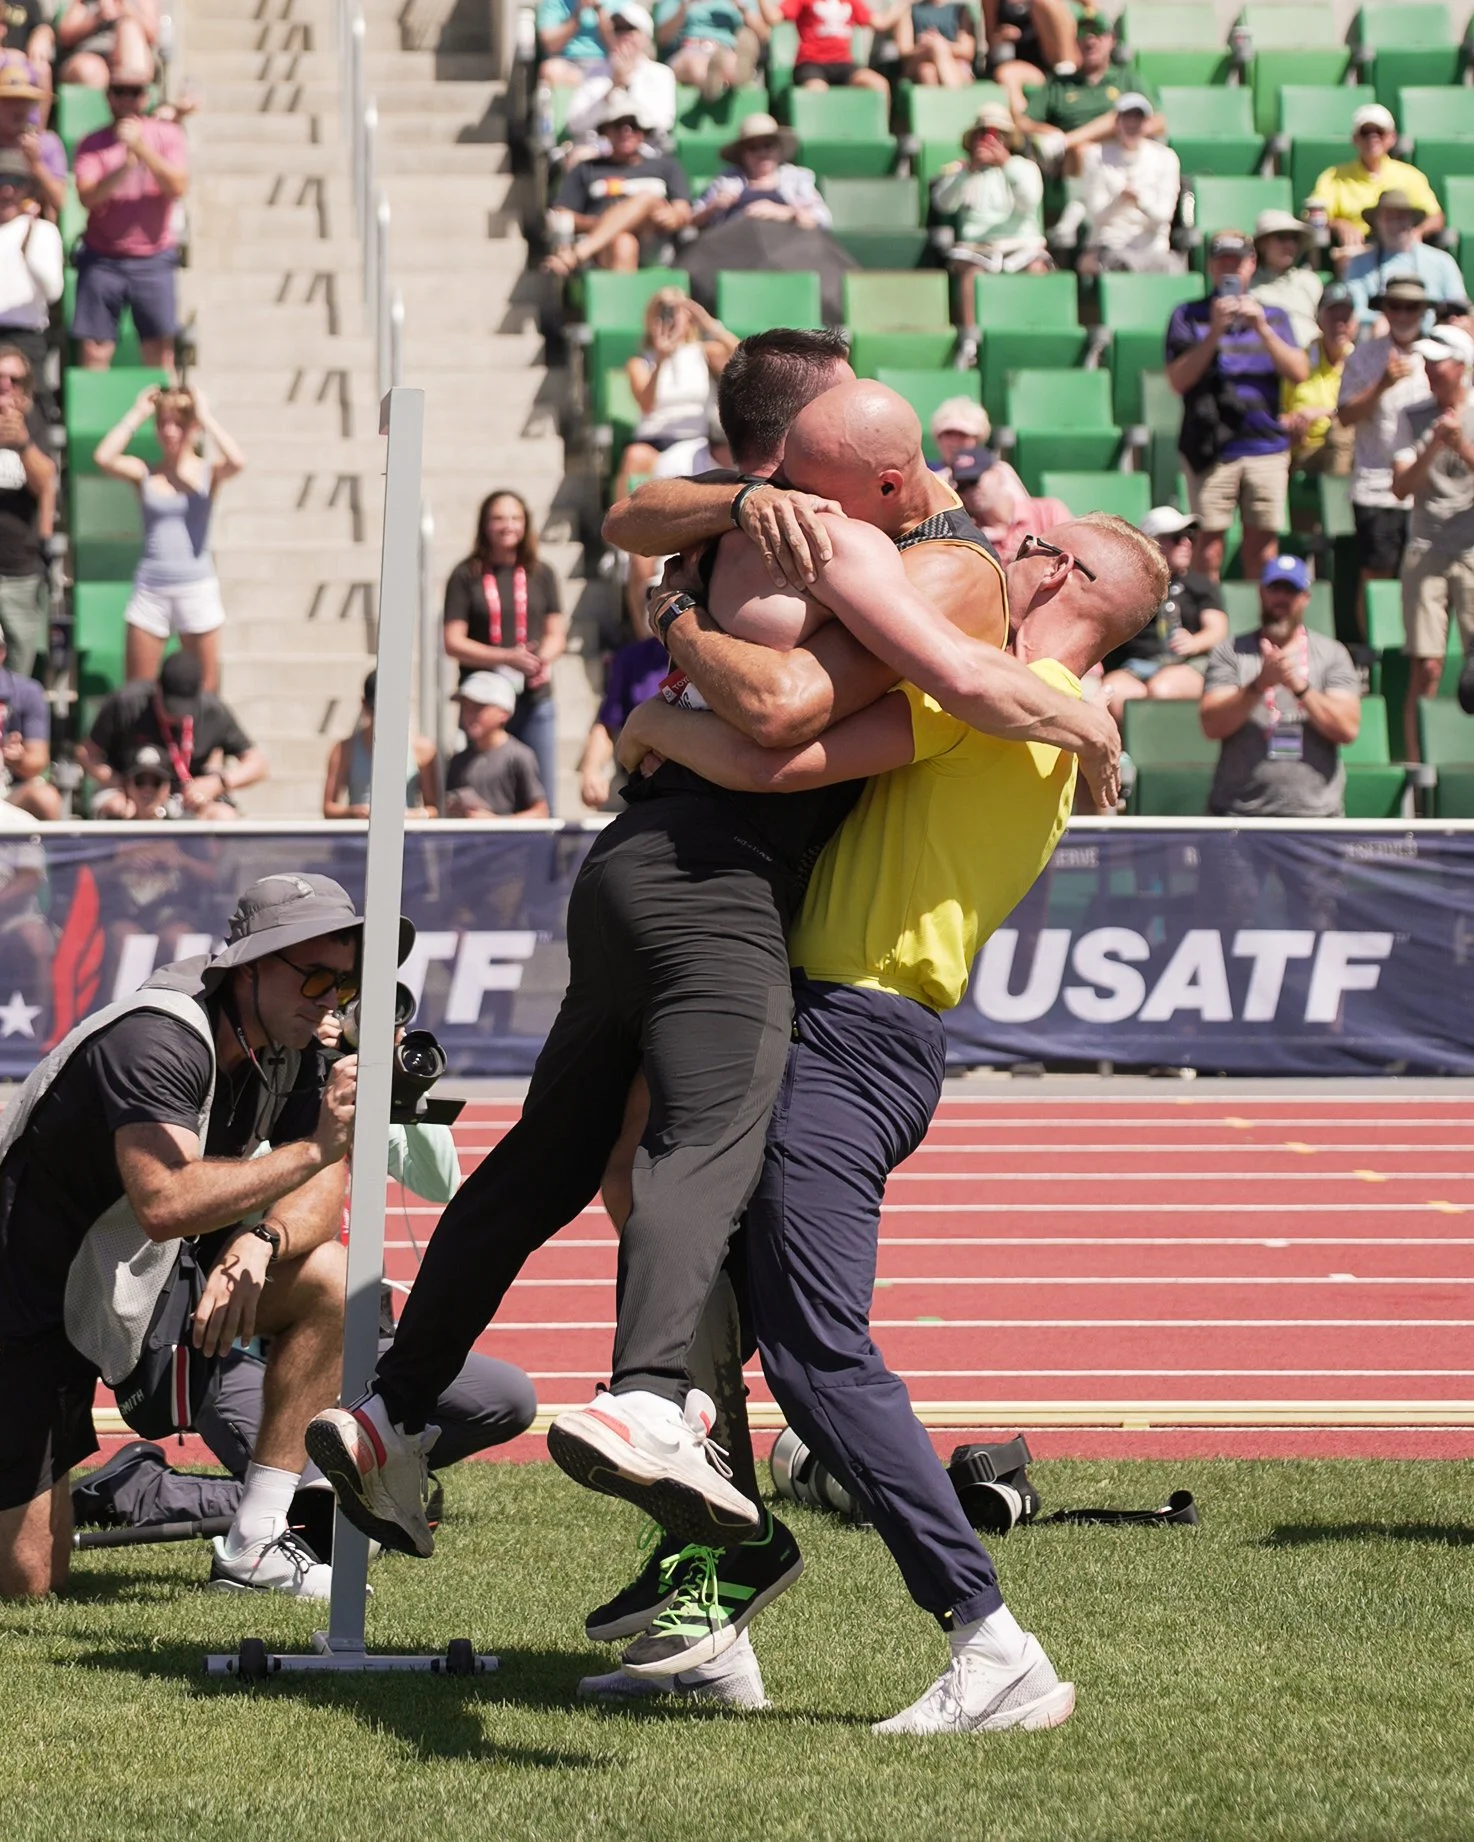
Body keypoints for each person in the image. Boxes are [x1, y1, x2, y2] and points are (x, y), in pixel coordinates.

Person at [305, 340, 1120, 1571]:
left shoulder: (765, 534)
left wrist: (667, 651)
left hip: (632, 869)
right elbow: (813, 709)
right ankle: (650, 1398)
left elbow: (648, 530)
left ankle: (391, 1413)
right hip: (719, 885)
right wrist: (1078, 715)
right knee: (703, 1145)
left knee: (550, 1158)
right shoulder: (853, 541)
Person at [602, 511, 1164, 1726]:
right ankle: (710, 1625)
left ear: (1056, 574)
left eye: (1024, 536)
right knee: (708, 1298)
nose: (996, 541)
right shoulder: (1050, 717)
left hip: (850, 1037)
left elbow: (771, 753)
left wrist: (655, 699)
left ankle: (991, 1639)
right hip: (847, 1028)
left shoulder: (1005, 695)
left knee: (817, 1351)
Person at [0, 872, 381, 1600]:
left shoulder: (288, 1043)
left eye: (346, 983)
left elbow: (323, 1196)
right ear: (254, 965)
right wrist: (311, 1151)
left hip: (144, 1278)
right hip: (30, 1295)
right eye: (318, 980)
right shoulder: (157, 1037)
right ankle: (126, 1485)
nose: (333, 1002)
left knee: (333, 1278)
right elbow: (165, 1200)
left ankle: (255, 1545)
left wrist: (262, 1239)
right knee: (27, 1585)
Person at [71, 1009, 538, 1545]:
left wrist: (395, 1077)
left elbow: (439, 1180)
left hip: (343, 1339)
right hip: (240, 1348)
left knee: (507, 1398)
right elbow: (237, 1181)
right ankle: (143, 1489)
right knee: (316, 1503)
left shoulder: (351, 1098)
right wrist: (310, 1104)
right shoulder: (261, 1102)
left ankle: (368, 1471)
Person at [1165, 228, 1309, 582]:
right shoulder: (1188, 314)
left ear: (1251, 264)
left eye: (1237, 260)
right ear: (1211, 266)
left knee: (1262, 549)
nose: (1230, 268)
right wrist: (1214, 332)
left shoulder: (1273, 315)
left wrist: (1262, 328)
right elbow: (1178, 381)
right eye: (1222, 260)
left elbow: (1299, 371)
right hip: (1212, 448)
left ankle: (1260, 630)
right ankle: (1209, 628)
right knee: (1208, 549)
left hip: (1266, 446)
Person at [93, 383, 244, 693]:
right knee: (138, 689)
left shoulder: (207, 472)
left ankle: (204, 744)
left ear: (192, 427)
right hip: (152, 588)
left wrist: (205, 416)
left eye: (179, 423)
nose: (170, 431)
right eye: (163, 424)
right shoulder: (145, 471)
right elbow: (104, 457)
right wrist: (137, 414)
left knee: (205, 690)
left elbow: (238, 461)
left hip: (196, 586)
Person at [1200, 555, 1361, 819]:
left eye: (1291, 590)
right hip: (1239, 817)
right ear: (1261, 592)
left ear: (1306, 598)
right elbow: (1211, 724)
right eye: (1275, 589)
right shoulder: (1230, 652)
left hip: (1317, 819)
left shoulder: (1332, 654)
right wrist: (1259, 685)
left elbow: (1347, 728)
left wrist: (1299, 687)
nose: (1282, 599)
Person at [441, 489, 567, 804]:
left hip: (533, 698)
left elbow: (556, 633)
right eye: (498, 518)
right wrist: (506, 657)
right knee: (475, 795)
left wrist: (541, 660)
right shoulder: (465, 574)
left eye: (515, 518)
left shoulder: (542, 572)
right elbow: (453, 641)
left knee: (540, 795)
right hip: (482, 702)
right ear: (485, 524)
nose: (507, 525)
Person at [1391, 325, 1474, 766]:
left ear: (1461, 367)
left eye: (1436, 362)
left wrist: (1463, 445)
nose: (1428, 369)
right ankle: (1418, 769)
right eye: (1425, 361)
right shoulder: (1412, 414)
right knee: (1427, 668)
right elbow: (1401, 488)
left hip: (1472, 553)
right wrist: (1433, 447)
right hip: (1426, 550)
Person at [70, 57, 187, 372]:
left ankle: (165, 419)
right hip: (102, 258)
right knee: (94, 351)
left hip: (153, 258)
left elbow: (177, 185)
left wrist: (141, 149)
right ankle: (95, 419)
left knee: (159, 352)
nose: (126, 99)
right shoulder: (92, 143)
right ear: (108, 96)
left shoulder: (168, 136)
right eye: (118, 91)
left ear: (145, 97)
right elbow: (88, 197)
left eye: (134, 92)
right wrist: (124, 167)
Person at [1337, 274, 1431, 626]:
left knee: (1425, 579)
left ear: (1424, 311)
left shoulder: (1440, 355)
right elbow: (1345, 416)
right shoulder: (1364, 357)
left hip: (1424, 487)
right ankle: (1375, 655)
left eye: (1413, 307)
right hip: (1376, 486)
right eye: (1396, 306)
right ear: (1385, 310)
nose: (1404, 313)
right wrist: (1382, 385)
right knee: (1376, 578)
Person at [78, 650, 267, 820]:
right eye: (169, 707)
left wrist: (218, 783)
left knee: (224, 816)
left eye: (183, 709)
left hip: (184, 796)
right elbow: (86, 754)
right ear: (157, 687)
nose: (175, 716)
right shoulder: (127, 703)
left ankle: (205, 860)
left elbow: (258, 764)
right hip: (131, 789)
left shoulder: (212, 711)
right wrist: (119, 782)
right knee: (116, 807)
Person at [1098, 505, 1226, 725]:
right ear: (1150, 543)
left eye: (1189, 537)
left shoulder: (1199, 584)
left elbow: (1218, 629)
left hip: (1186, 665)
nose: (1186, 544)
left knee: (1161, 690)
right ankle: (1127, 757)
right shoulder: (1128, 588)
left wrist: (1194, 643)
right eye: (1176, 538)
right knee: (1112, 694)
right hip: (1135, 666)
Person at [544, 91, 690, 276]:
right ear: (606, 131)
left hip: (653, 243)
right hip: (605, 251)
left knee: (647, 199)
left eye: (634, 126)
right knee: (623, 242)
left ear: (644, 132)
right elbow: (561, 215)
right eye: (618, 125)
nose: (626, 132)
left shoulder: (667, 166)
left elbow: (683, 211)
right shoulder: (587, 168)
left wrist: (673, 216)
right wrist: (610, 222)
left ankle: (578, 253)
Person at [933, 103, 1047, 337]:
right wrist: (967, 171)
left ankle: (1035, 333)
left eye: (996, 134)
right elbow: (943, 203)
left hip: (1020, 244)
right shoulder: (961, 171)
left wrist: (1005, 163)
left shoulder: (1025, 168)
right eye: (983, 134)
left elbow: (1030, 200)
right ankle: (971, 340)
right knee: (971, 272)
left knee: (1037, 268)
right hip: (978, 248)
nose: (989, 140)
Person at [615, 288, 737, 501]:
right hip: (654, 443)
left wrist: (710, 324)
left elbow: (749, 360)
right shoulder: (640, 362)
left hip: (696, 441)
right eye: (662, 311)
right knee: (634, 457)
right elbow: (646, 404)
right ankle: (617, 530)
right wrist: (661, 359)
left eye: (676, 311)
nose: (669, 318)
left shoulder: (705, 353)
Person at [1015, 16, 1160, 177]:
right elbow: (1023, 122)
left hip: (1121, 154)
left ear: (1112, 40)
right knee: (1080, 152)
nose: (1090, 41)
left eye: (1098, 33)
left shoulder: (1127, 78)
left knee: (1120, 117)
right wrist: (1053, 133)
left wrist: (1066, 141)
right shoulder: (1059, 84)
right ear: (1076, 42)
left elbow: (1159, 123)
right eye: (1084, 33)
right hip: (1073, 161)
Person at [1311, 103, 1443, 261]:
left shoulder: (1410, 175)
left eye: (1379, 132)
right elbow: (1315, 216)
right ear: (1355, 139)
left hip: (1400, 248)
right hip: (1356, 250)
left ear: (1392, 138)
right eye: (1365, 132)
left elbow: (1435, 217)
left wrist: (1418, 232)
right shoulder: (1333, 176)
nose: (1372, 138)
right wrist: (1339, 224)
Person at [1077, 91, 1180, 277]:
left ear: (1148, 123)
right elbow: (1096, 216)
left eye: (1138, 118)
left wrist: (1139, 200)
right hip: (1109, 244)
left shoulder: (1166, 158)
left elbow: (1163, 216)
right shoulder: (1095, 156)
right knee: (1119, 264)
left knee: (1172, 267)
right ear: (1117, 122)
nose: (1132, 124)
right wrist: (1120, 199)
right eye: (1127, 117)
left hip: (1153, 248)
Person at [0, 345, 54, 677]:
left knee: (19, 675)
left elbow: (45, 482)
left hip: (19, 567)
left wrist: (21, 443)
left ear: (26, 387)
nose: (5, 386)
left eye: (14, 379)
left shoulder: (34, 422)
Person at [322, 670, 438, 819]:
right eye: (376, 710)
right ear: (364, 705)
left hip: (406, 838)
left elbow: (434, 809)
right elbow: (328, 808)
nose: (382, 718)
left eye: (389, 710)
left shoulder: (422, 749)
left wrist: (409, 816)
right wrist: (354, 812)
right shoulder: (344, 750)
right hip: (359, 839)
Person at [689, 112, 831, 233]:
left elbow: (823, 219)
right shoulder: (727, 180)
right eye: (753, 148)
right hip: (734, 249)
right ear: (742, 154)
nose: (762, 153)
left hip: (790, 248)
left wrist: (785, 213)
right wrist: (713, 207)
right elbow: (692, 221)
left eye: (768, 145)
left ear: (779, 149)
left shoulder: (797, 178)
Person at [0, 150, 62, 425]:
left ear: (28, 187)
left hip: (26, 337)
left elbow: (53, 291)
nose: (7, 189)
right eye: (1, 179)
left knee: (31, 413)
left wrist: (28, 253)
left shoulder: (43, 231)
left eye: (16, 180)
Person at [1343, 190, 1465, 329]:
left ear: (1412, 221)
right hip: (1379, 339)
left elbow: (1459, 308)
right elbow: (1355, 311)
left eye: (1401, 217)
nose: (1395, 223)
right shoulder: (1359, 264)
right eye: (1389, 217)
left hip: (1433, 340)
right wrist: (1391, 321)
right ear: (1377, 223)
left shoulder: (1443, 262)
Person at [578, 627, 669, 808]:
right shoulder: (633, 657)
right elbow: (607, 724)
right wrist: (591, 770)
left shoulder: (713, 656)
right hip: (644, 790)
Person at [563, 5, 677, 146]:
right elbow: (575, 124)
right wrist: (612, 89)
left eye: (630, 28)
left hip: (644, 152)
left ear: (646, 37)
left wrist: (627, 84)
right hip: (599, 153)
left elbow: (661, 122)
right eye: (618, 29)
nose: (623, 35)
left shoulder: (661, 74)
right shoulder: (593, 72)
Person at [444, 671, 550, 819]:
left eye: (478, 707)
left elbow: (541, 812)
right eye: (466, 707)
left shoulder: (519, 756)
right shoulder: (458, 761)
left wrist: (495, 822)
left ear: (503, 713)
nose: (469, 714)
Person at [1280, 282, 1357, 479]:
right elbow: (1277, 417)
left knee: (1341, 433)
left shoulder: (1361, 362)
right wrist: (1294, 424)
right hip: (1306, 450)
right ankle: (1339, 507)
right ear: (1319, 320)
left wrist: (1324, 413)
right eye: (1333, 317)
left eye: (1346, 318)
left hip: (1354, 448)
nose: (1340, 324)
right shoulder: (1298, 362)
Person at [951, 442, 1067, 562]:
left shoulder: (1048, 511)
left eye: (974, 481)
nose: (970, 491)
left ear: (997, 474)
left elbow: (1074, 557)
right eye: (962, 487)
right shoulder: (967, 533)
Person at [759, 0, 887, 96]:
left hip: (843, 64)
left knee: (878, 84)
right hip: (811, 63)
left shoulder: (850, 1)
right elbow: (773, 18)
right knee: (818, 92)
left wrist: (903, 5)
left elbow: (881, 23)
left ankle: (880, 130)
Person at [654, 0, 765, 103]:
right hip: (690, 48)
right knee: (695, 66)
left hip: (724, 49)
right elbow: (663, 37)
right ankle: (718, 80)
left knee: (728, 62)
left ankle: (730, 74)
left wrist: (743, 8)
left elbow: (763, 35)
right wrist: (684, 7)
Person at [981, 0, 1078, 113]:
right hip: (1016, 61)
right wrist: (1002, 36)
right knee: (1007, 75)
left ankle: (1068, 76)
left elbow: (1091, 11)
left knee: (1046, 3)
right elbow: (991, 40)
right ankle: (1025, 123)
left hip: (1049, 61)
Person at [0, 65, 65, 230]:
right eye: (9, 101)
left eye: (25, 101)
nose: (18, 108)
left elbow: (59, 200)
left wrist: (35, 164)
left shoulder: (48, 143)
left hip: (32, 229)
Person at [0, 622, 54, 817]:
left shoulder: (28, 692)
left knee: (45, 799)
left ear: (2, 652)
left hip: (10, 792)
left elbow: (37, 761)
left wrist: (17, 758)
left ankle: (52, 848)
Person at [1250, 209, 1322, 350]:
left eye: (1294, 239)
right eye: (1281, 238)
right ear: (1262, 244)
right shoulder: (1249, 287)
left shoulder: (1310, 281)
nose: (1290, 246)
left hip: (1315, 359)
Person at [55, 0, 157, 88]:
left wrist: (124, 9)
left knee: (129, 29)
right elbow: (65, 37)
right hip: (91, 56)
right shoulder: (84, 3)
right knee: (90, 70)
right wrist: (97, 17)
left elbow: (152, 33)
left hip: (126, 58)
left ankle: (128, 98)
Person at [885, 0, 976, 91]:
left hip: (954, 61)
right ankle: (955, 98)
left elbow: (967, 50)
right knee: (925, 71)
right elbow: (904, 51)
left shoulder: (960, 10)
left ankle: (951, 98)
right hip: (918, 62)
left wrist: (940, 44)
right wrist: (928, 48)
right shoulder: (910, 10)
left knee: (932, 69)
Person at [536, 0, 610, 86]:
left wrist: (598, 9)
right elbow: (551, 46)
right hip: (568, 64)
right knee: (551, 70)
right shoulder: (554, 2)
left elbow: (616, 45)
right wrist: (578, 13)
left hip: (604, 63)